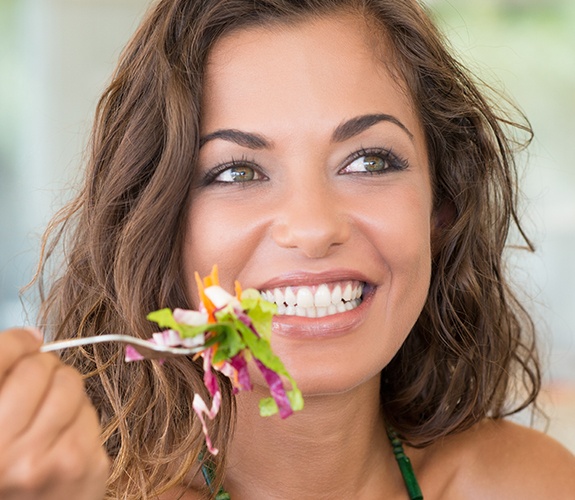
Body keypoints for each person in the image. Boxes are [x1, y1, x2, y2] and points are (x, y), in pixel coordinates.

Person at [1, 0, 574, 498]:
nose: (313, 227)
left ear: (439, 209)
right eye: (237, 172)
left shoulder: (535, 484)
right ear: (157, 224)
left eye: (369, 161)